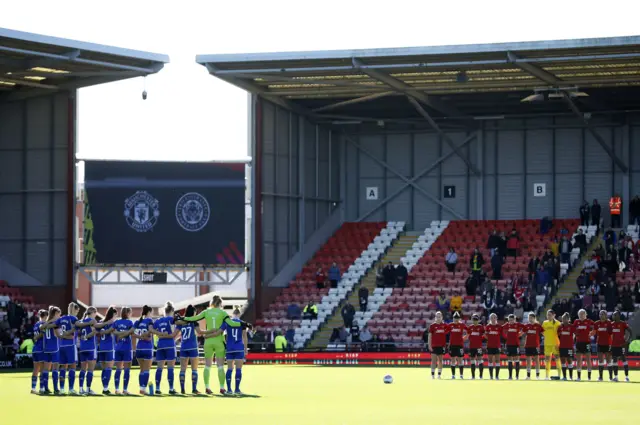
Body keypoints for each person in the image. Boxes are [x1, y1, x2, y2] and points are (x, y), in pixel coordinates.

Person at [182, 295, 246, 395]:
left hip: (208, 341)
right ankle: (222, 388)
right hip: (219, 341)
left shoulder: (206, 312)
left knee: (207, 366)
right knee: (220, 366)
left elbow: (194, 318)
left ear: (211, 303)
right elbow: (231, 323)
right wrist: (243, 324)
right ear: (220, 304)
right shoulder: (223, 313)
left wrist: (183, 318)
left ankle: (207, 387)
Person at [221, 305, 248, 395]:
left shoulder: (227, 322)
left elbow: (223, 335)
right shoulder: (242, 323)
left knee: (229, 368)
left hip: (230, 348)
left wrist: (226, 343)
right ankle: (237, 389)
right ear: (239, 314)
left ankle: (229, 389)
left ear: (232, 314)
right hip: (239, 348)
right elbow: (244, 337)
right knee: (238, 369)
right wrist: (245, 348)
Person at [154, 301, 179, 395]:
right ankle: (171, 388)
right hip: (170, 345)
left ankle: (157, 388)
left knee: (159, 368)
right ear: (172, 310)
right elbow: (174, 333)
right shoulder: (172, 319)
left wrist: (160, 335)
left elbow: (152, 330)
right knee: (170, 368)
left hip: (160, 345)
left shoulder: (158, 320)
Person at [56, 302, 80, 395]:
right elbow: (76, 328)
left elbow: (56, 330)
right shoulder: (73, 318)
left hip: (61, 345)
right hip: (70, 345)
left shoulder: (61, 319)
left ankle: (62, 389)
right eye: (77, 311)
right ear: (75, 310)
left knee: (62, 367)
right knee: (72, 367)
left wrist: (62, 336)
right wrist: (68, 334)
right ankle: (71, 389)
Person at [40, 306, 62, 395]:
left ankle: (46, 388)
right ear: (55, 314)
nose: (59, 316)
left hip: (46, 348)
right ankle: (56, 389)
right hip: (54, 348)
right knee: (55, 368)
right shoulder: (56, 323)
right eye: (59, 314)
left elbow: (41, 328)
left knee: (46, 369)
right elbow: (58, 334)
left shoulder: (45, 323)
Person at [112, 307, 134, 395]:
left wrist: (120, 334)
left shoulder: (116, 322)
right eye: (130, 312)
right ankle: (125, 389)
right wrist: (125, 333)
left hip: (118, 348)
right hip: (127, 348)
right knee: (127, 369)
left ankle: (117, 389)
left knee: (118, 369)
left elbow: (114, 332)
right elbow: (131, 332)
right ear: (128, 313)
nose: (131, 314)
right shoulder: (129, 322)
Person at [133, 305, 155, 395]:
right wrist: (146, 335)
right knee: (146, 370)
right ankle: (143, 389)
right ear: (149, 312)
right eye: (152, 312)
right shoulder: (149, 321)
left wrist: (140, 336)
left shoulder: (138, 321)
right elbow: (150, 331)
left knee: (141, 370)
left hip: (139, 348)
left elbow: (132, 333)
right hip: (147, 348)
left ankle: (141, 388)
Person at [96, 306, 117, 395]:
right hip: (109, 348)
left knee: (104, 369)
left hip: (101, 348)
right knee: (109, 368)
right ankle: (105, 388)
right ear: (114, 314)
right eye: (116, 315)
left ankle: (105, 387)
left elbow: (97, 332)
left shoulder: (101, 322)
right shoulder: (113, 323)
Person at [77, 307, 98, 395]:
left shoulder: (82, 321)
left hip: (82, 348)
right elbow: (94, 332)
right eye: (95, 312)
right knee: (90, 370)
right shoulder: (92, 321)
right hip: (91, 347)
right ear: (92, 312)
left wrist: (83, 338)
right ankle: (88, 389)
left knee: (82, 369)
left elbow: (78, 334)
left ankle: (81, 389)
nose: (96, 314)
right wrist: (87, 337)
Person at [610, 310, 632, 382]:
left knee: (624, 359)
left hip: (621, 345)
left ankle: (627, 377)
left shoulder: (623, 323)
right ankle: (616, 377)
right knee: (614, 360)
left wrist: (627, 341)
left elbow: (630, 331)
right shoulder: (611, 324)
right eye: (613, 315)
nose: (614, 316)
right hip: (613, 345)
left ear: (619, 315)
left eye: (615, 315)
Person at [573, 309, 595, 381]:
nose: (581, 315)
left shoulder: (589, 321)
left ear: (586, 315)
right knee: (579, 360)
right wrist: (575, 335)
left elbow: (595, 327)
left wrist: (592, 333)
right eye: (580, 314)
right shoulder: (576, 322)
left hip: (587, 343)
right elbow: (573, 330)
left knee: (588, 359)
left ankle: (589, 377)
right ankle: (578, 377)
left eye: (583, 314)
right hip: (579, 343)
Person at [30, 309, 48, 394]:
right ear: (45, 316)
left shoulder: (36, 324)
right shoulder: (43, 324)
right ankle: (41, 388)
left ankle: (33, 388)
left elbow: (35, 337)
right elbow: (41, 335)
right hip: (41, 349)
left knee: (35, 369)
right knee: (42, 369)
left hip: (35, 349)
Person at [541, 309, 562, 380]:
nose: (548, 316)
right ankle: (547, 376)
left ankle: (559, 375)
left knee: (557, 359)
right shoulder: (544, 323)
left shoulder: (558, 323)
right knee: (547, 359)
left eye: (550, 315)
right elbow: (542, 332)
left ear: (554, 315)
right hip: (547, 344)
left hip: (555, 344)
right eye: (547, 315)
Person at [593, 310, 613, 381]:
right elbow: (594, 332)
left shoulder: (609, 323)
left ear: (606, 315)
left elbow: (611, 334)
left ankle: (611, 377)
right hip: (599, 344)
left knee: (609, 361)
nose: (601, 315)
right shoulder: (596, 323)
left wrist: (612, 344)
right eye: (600, 314)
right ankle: (600, 377)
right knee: (600, 361)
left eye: (603, 314)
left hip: (608, 344)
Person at [522, 312, 543, 380]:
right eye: (529, 318)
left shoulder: (538, 325)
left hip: (535, 345)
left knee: (537, 360)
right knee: (528, 361)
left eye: (531, 318)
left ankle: (537, 376)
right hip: (528, 345)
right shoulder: (526, 326)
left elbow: (544, 333)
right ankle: (528, 376)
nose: (530, 319)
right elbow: (521, 333)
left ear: (534, 318)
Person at [502, 314, 522, 380]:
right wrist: (505, 337)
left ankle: (517, 376)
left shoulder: (517, 324)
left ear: (515, 319)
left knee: (516, 360)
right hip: (508, 345)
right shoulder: (507, 325)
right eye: (509, 320)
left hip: (516, 345)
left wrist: (520, 334)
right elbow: (500, 329)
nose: (511, 321)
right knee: (510, 360)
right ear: (508, 320)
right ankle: (510, 376)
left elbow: (525, 328)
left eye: (512, 320)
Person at [447, 312, 466, 379]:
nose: (456, 320)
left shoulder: (462, 325)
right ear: (453, 318)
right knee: (453, 360)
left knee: (460, 360)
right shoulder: (450, 325)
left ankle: (461, 375)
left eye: (457, 318)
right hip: (452, 345)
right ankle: (453, 375)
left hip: (460, 345)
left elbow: (469, 330)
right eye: (455, 318)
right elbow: (445, 332)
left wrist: (465, 337)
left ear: (459, 319)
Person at [428, 311, 447, 379]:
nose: (438, 318)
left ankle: (439, 375)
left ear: (442, 317)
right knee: (433, 361)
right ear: (435, 317)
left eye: (439, 317)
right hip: (434, 346)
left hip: (441, 346)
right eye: (437, 317)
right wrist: (429, 345)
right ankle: (432, 375)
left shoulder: (445, 325)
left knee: (440, 361)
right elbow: (429, 336)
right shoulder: (432, 326)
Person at [557, 313, 576, 380]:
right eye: (563, 318)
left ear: (568, 319)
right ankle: (564, 377)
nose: (563, 320)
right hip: (562, 346)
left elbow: (575, 334)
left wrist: (572, 340)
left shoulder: (571, 326)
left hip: (569, 346)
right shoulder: (560, 327)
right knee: (563, 361)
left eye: (565, 318)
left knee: (569, 360)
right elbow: (558, 335)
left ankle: (571, 377)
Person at [467, 314, 485, 380]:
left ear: (478, 320)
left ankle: (481, 376)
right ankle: (473, 376)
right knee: (472, 361)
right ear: (472, 320)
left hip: (478, 347)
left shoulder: (481, 327)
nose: (475, 321)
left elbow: (484, 335)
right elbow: (468, 336)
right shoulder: (470, 327)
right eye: (474, 319)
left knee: (480, 360)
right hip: (471, 347)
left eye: (476, 320)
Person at [485, 313, 502, 380]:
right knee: (490, 360)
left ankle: (497, 376)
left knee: (497, 360)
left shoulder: (499, 326)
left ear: (496, 318)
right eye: (492, 318)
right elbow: (486, 336)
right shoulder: (487, 326)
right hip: (490, 346)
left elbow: (501, 335)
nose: (493, 319)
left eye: (494, 317)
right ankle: (491, 376)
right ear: (490, 319)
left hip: (497, 346)